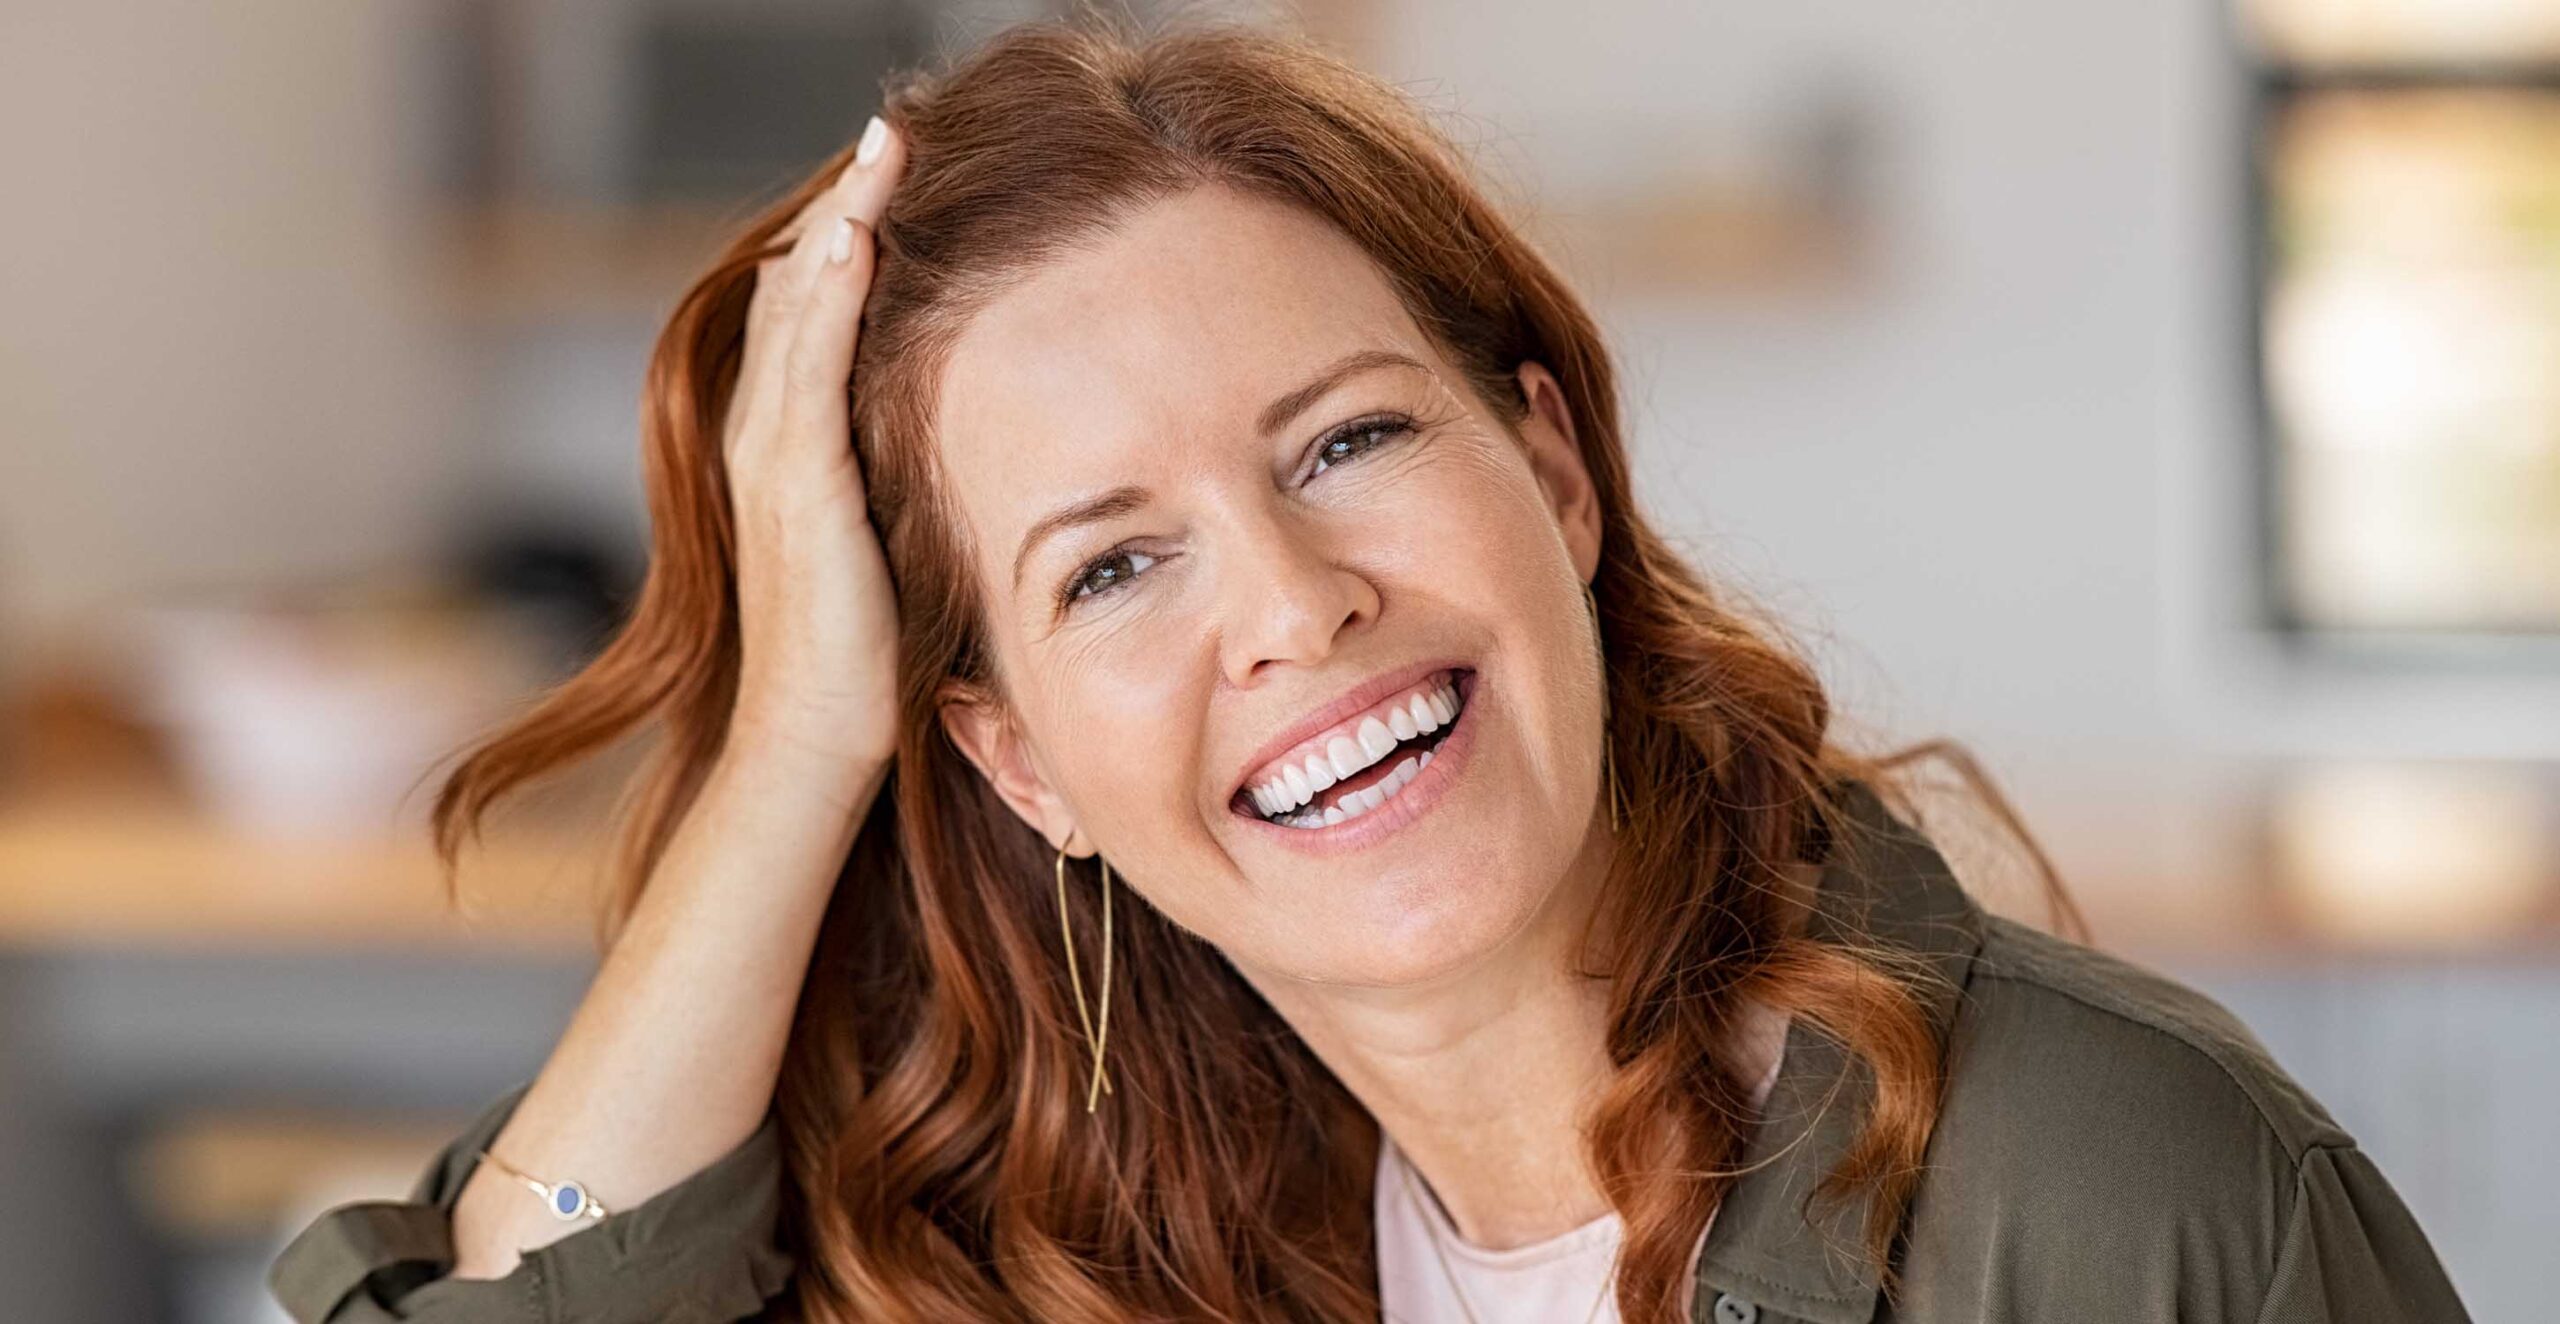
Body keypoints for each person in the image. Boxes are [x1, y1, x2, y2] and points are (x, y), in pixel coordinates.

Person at [268, 13, 2470, 1324]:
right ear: (1014, 755)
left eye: (1345, 439)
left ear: (1554, 474)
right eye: (1111, 565)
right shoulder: (1115, 1231)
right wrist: (796, 747)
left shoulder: (2103, 1189)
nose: (1291, 602)